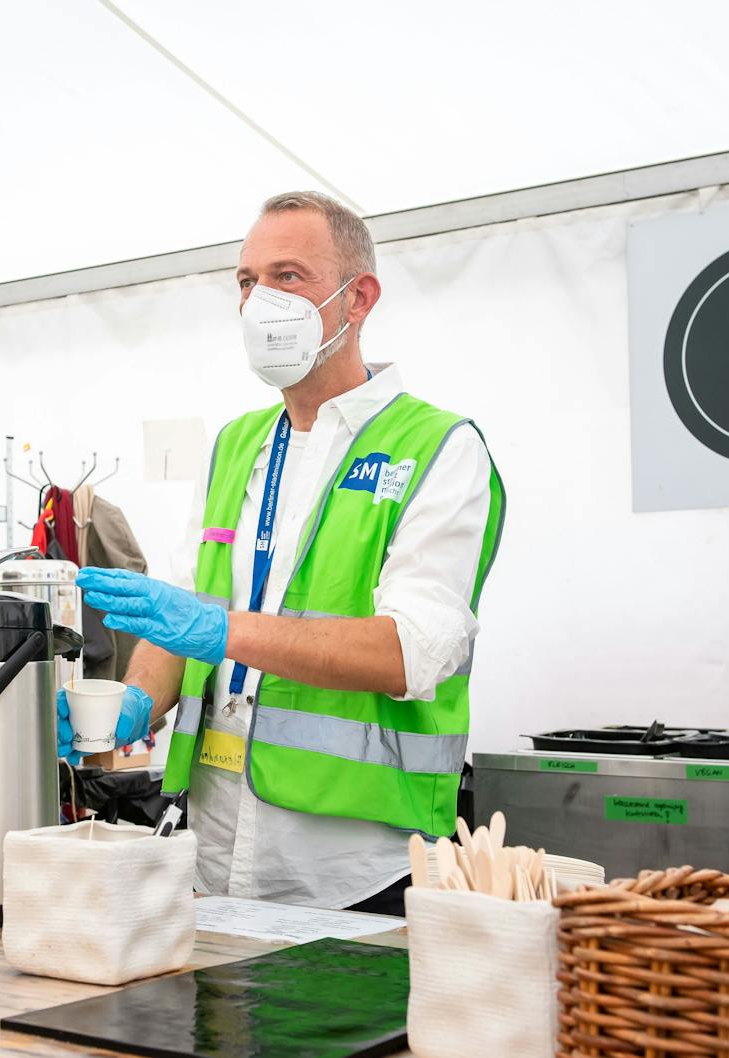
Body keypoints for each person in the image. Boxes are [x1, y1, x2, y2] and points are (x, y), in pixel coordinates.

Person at [64, 192, 506, 915]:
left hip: (357, 871)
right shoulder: (237, 445)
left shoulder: (440, 448)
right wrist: (136, 701)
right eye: (246, 281)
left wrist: (224, 630)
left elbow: (412, 650)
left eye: (288, 276)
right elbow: (182, 613)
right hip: (208, 854)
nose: (259, 301)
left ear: (358, 297)